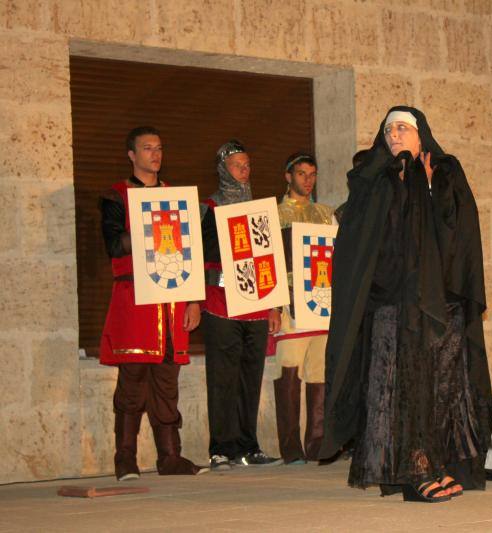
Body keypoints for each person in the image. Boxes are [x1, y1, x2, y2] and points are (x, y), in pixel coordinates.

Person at [320, 107, 492, 502]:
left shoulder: (444, 171)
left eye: (403, 128)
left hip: (439, 302)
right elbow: (360, 239)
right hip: (392, 302)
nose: (395, 134)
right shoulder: (372, 175)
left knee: (441, 387)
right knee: (401, 388)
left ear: (421, 137)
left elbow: (459, 237)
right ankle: (413, 471)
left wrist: (431, 189)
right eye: (388, 129)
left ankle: (438, 461)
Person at [99, 125, 207, 481]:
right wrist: (148, 224)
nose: (155, 154)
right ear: (132, 154)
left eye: (159, 148)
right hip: (135, 300)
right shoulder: (116, 196)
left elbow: (191, 253)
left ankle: (170, 457)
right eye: (147, 148)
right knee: (132, 378)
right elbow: (114, 246)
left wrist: (193, 300)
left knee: (166, 380)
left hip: (173, 302)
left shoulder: (176, 199)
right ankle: (125, 458)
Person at [200, 140, 282, 470]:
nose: (244, 171)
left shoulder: (260, 210)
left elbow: (270, 259)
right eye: (237, 165)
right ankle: (221, 448)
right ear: (223, 170)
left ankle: (249, 446)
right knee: (223, 377)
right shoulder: (210, 207)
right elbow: (204, 259)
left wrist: (275, 305)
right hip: (221, 304)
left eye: (247, 164)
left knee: (252, 377)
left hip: (257, 306)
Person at [272, 153, 337, 464]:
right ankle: (290, 447)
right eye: (301, 174)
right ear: (288, 176)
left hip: (322, 303)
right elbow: (266, 263)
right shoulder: (273, 214)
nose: (308, 180)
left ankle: (317, 443)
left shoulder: (327, 214)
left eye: (312, 174)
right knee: (289, 372)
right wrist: (273, 306)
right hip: (290, 304)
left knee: (319, 373)